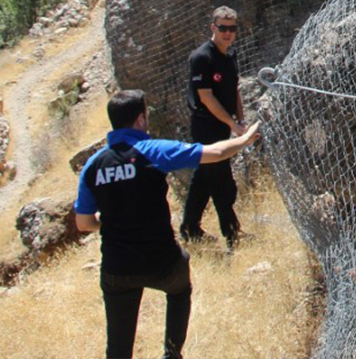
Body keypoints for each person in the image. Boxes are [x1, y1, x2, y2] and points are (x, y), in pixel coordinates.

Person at [75, 89, 259, 359]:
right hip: (161, 262)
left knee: (117, 349)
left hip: (117, 269)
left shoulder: (92, 165)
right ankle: (171, 353)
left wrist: (114, 217)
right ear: (140, 119)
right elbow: (217, 152)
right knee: (179, 288)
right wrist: (244, 138)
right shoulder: (152, 151)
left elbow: (84, 223)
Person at [180, 6, 248, 247]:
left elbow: (234, 89)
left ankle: (189, 229)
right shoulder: (202, 57)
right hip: (206, 126)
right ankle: (232, 235)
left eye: (232, 28)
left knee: (203, 178)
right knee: (222, 182)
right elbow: (206, 97)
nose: (227, 33)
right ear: (213, 28)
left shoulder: (230, 55)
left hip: (224, 124)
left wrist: (240, 120)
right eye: (223, 28)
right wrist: (232, 124)